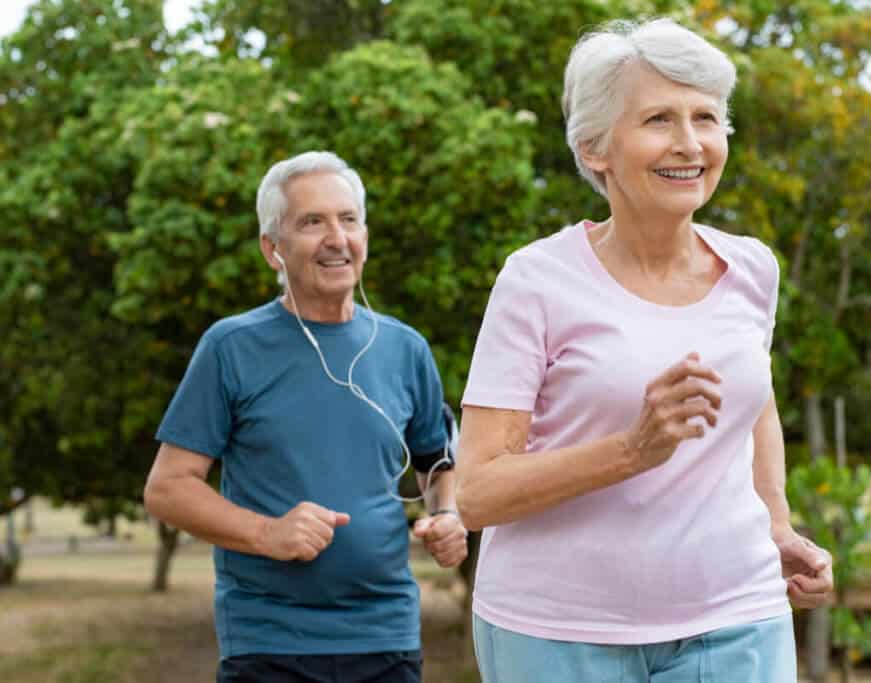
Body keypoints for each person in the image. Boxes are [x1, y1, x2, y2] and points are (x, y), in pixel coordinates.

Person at [456, 19, 833, 682]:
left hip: (737, 615)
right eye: (659, 119)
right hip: (557, 631)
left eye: (706, 118)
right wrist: (631, 450)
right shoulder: (536, 280)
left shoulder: (753, 270)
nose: (690, 144)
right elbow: (475, 493)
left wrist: (777, 522)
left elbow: (754, 406)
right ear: (596, 147)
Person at [143, 151, 468, 683]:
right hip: (270, 644)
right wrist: (269, 533)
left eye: (349, 219)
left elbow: (437, 460)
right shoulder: (232, 347)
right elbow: (168, 489)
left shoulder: (405, 348)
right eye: (312, 222)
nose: (336, 238)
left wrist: (448, 516)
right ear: (274, 249)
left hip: (388, 638)